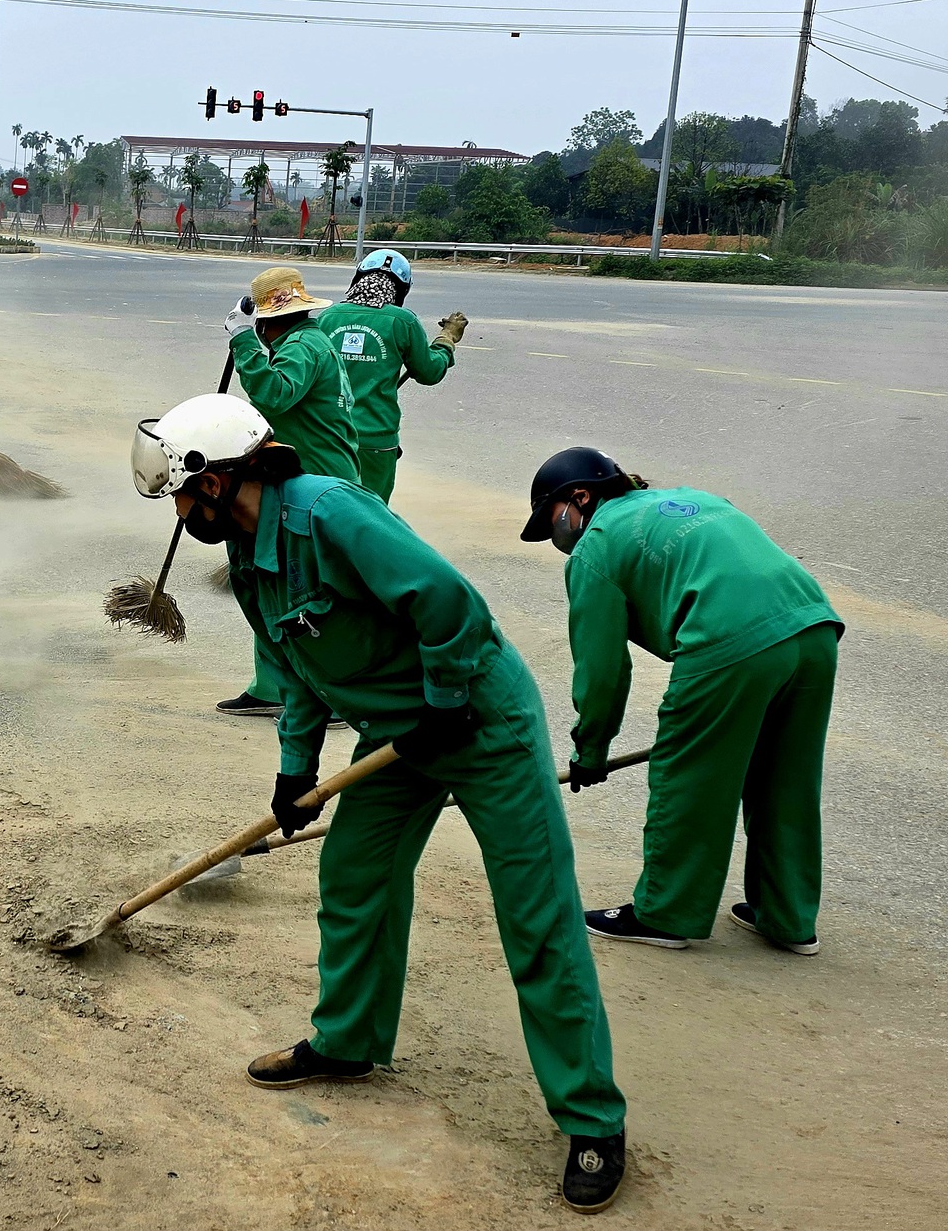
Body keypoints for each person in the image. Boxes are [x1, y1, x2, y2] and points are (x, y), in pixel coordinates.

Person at [131, 396, 630, 1215]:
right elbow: (293, 669)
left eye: (181, 497)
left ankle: (592, 1119)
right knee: (354, 874)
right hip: (401, 738)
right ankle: (349, 1042)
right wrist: (295, 773)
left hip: (477, 716)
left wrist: (442, 700)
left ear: (217, 479)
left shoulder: (329, 514)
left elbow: (445, 597)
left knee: (535, 914)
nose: (180, 518)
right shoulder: (254, 565)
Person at [521, 447, 844, 957]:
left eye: (552, 519)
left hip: (730, 642)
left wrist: (591, 751)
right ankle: (788, 919)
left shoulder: (596, 546)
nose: (556, 535)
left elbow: (602, 673)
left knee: (691, 776)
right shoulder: (688, 498)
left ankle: (666, 914)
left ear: (580, 496)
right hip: (814, 627)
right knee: (786, 778)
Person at [216, 267, 358, 718]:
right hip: (308, 478)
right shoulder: (308, 342)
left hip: (314, 484)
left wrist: (240, 343)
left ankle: (328, 693)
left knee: (304, 593)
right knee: (273, 584)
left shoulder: (300, 346)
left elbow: (275, 395)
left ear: (264, 321)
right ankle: (276, 685)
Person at [316, 249, 468, 504]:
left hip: (326, 436)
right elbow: (429, 372)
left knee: (325, 508)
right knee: (370, 514)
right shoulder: (402, 321)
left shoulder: (328, 317)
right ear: (401, 288)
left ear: (358, 278)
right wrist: (446, 340)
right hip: (375, 439)